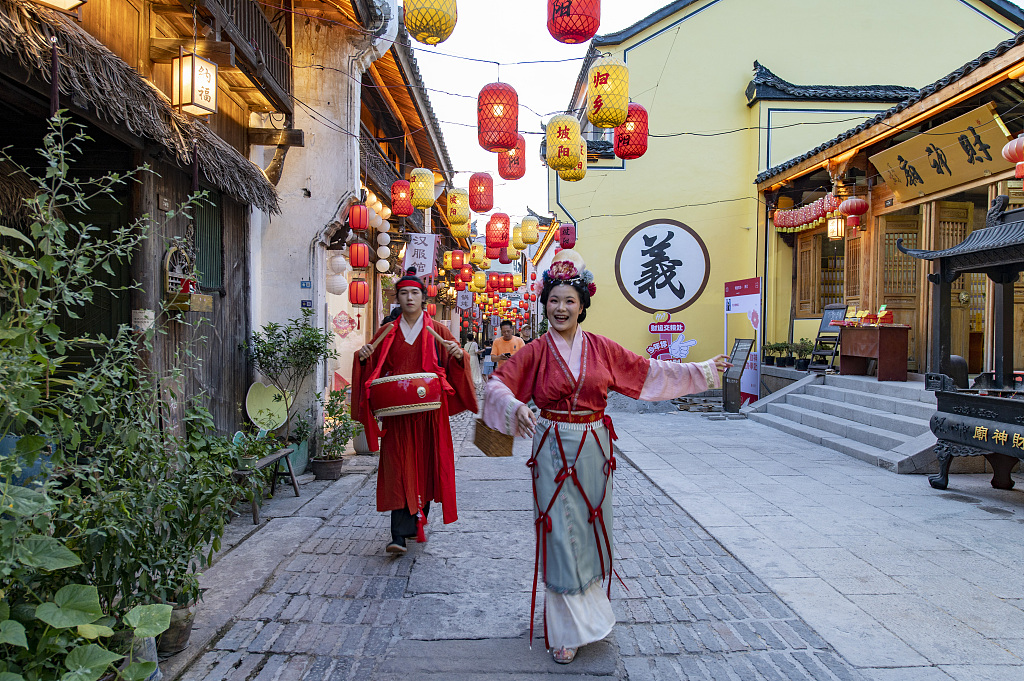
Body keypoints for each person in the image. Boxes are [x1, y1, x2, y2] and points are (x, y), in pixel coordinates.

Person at [481, 250, 730, 665]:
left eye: (569, 301)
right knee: (561, 536)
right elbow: (496, 385)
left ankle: (590, 619)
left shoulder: (602, 349)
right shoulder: (536, 351)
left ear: (582, 306)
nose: (561, 308)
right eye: (554, 300)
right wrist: (515, 408)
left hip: (595, 449)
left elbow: (648, 373)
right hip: (553, 448)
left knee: (593, 531)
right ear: (544, 304)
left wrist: (702, 371)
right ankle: (564, 630)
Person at [352, 268, 477, 555]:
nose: (409, 298)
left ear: (423, 298)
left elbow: (455, 359)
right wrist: (362, 358)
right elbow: (372, 364)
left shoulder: (438, 331)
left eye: (415, 293)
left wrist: (460, 357)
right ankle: (399, 533)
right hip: (398, 412)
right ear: (398, 298)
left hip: (429, 412)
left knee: (425, 464)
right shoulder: (387, 332)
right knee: (397, 465)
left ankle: (418, 517)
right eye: (404, 293)